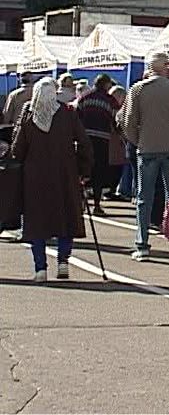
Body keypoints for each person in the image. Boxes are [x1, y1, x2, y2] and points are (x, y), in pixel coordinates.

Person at [11, 77, 93, 282]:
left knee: (36, 222)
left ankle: (40, 269)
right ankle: (63, 261)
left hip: (34, 176)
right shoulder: (67, 113)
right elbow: (84, 143)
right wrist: (83, 170)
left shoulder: (29, 113)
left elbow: (17, 148)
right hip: (64, 173)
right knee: (65, 217)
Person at [119, 52, 169, 263]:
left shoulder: (138, 89)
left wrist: (137, 141)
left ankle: (142, 245)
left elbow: (128, 120)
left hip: (147, 148)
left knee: (143, 198)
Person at [76, 73, 118, 217]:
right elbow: (116, 120)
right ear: (106, 85)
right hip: (102, 139)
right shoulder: (110, 100)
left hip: (85, 138)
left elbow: (76, 117)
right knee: (99, 173)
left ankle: (80, 201)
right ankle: (97, 205)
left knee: (83, 170)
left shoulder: (84, 98)